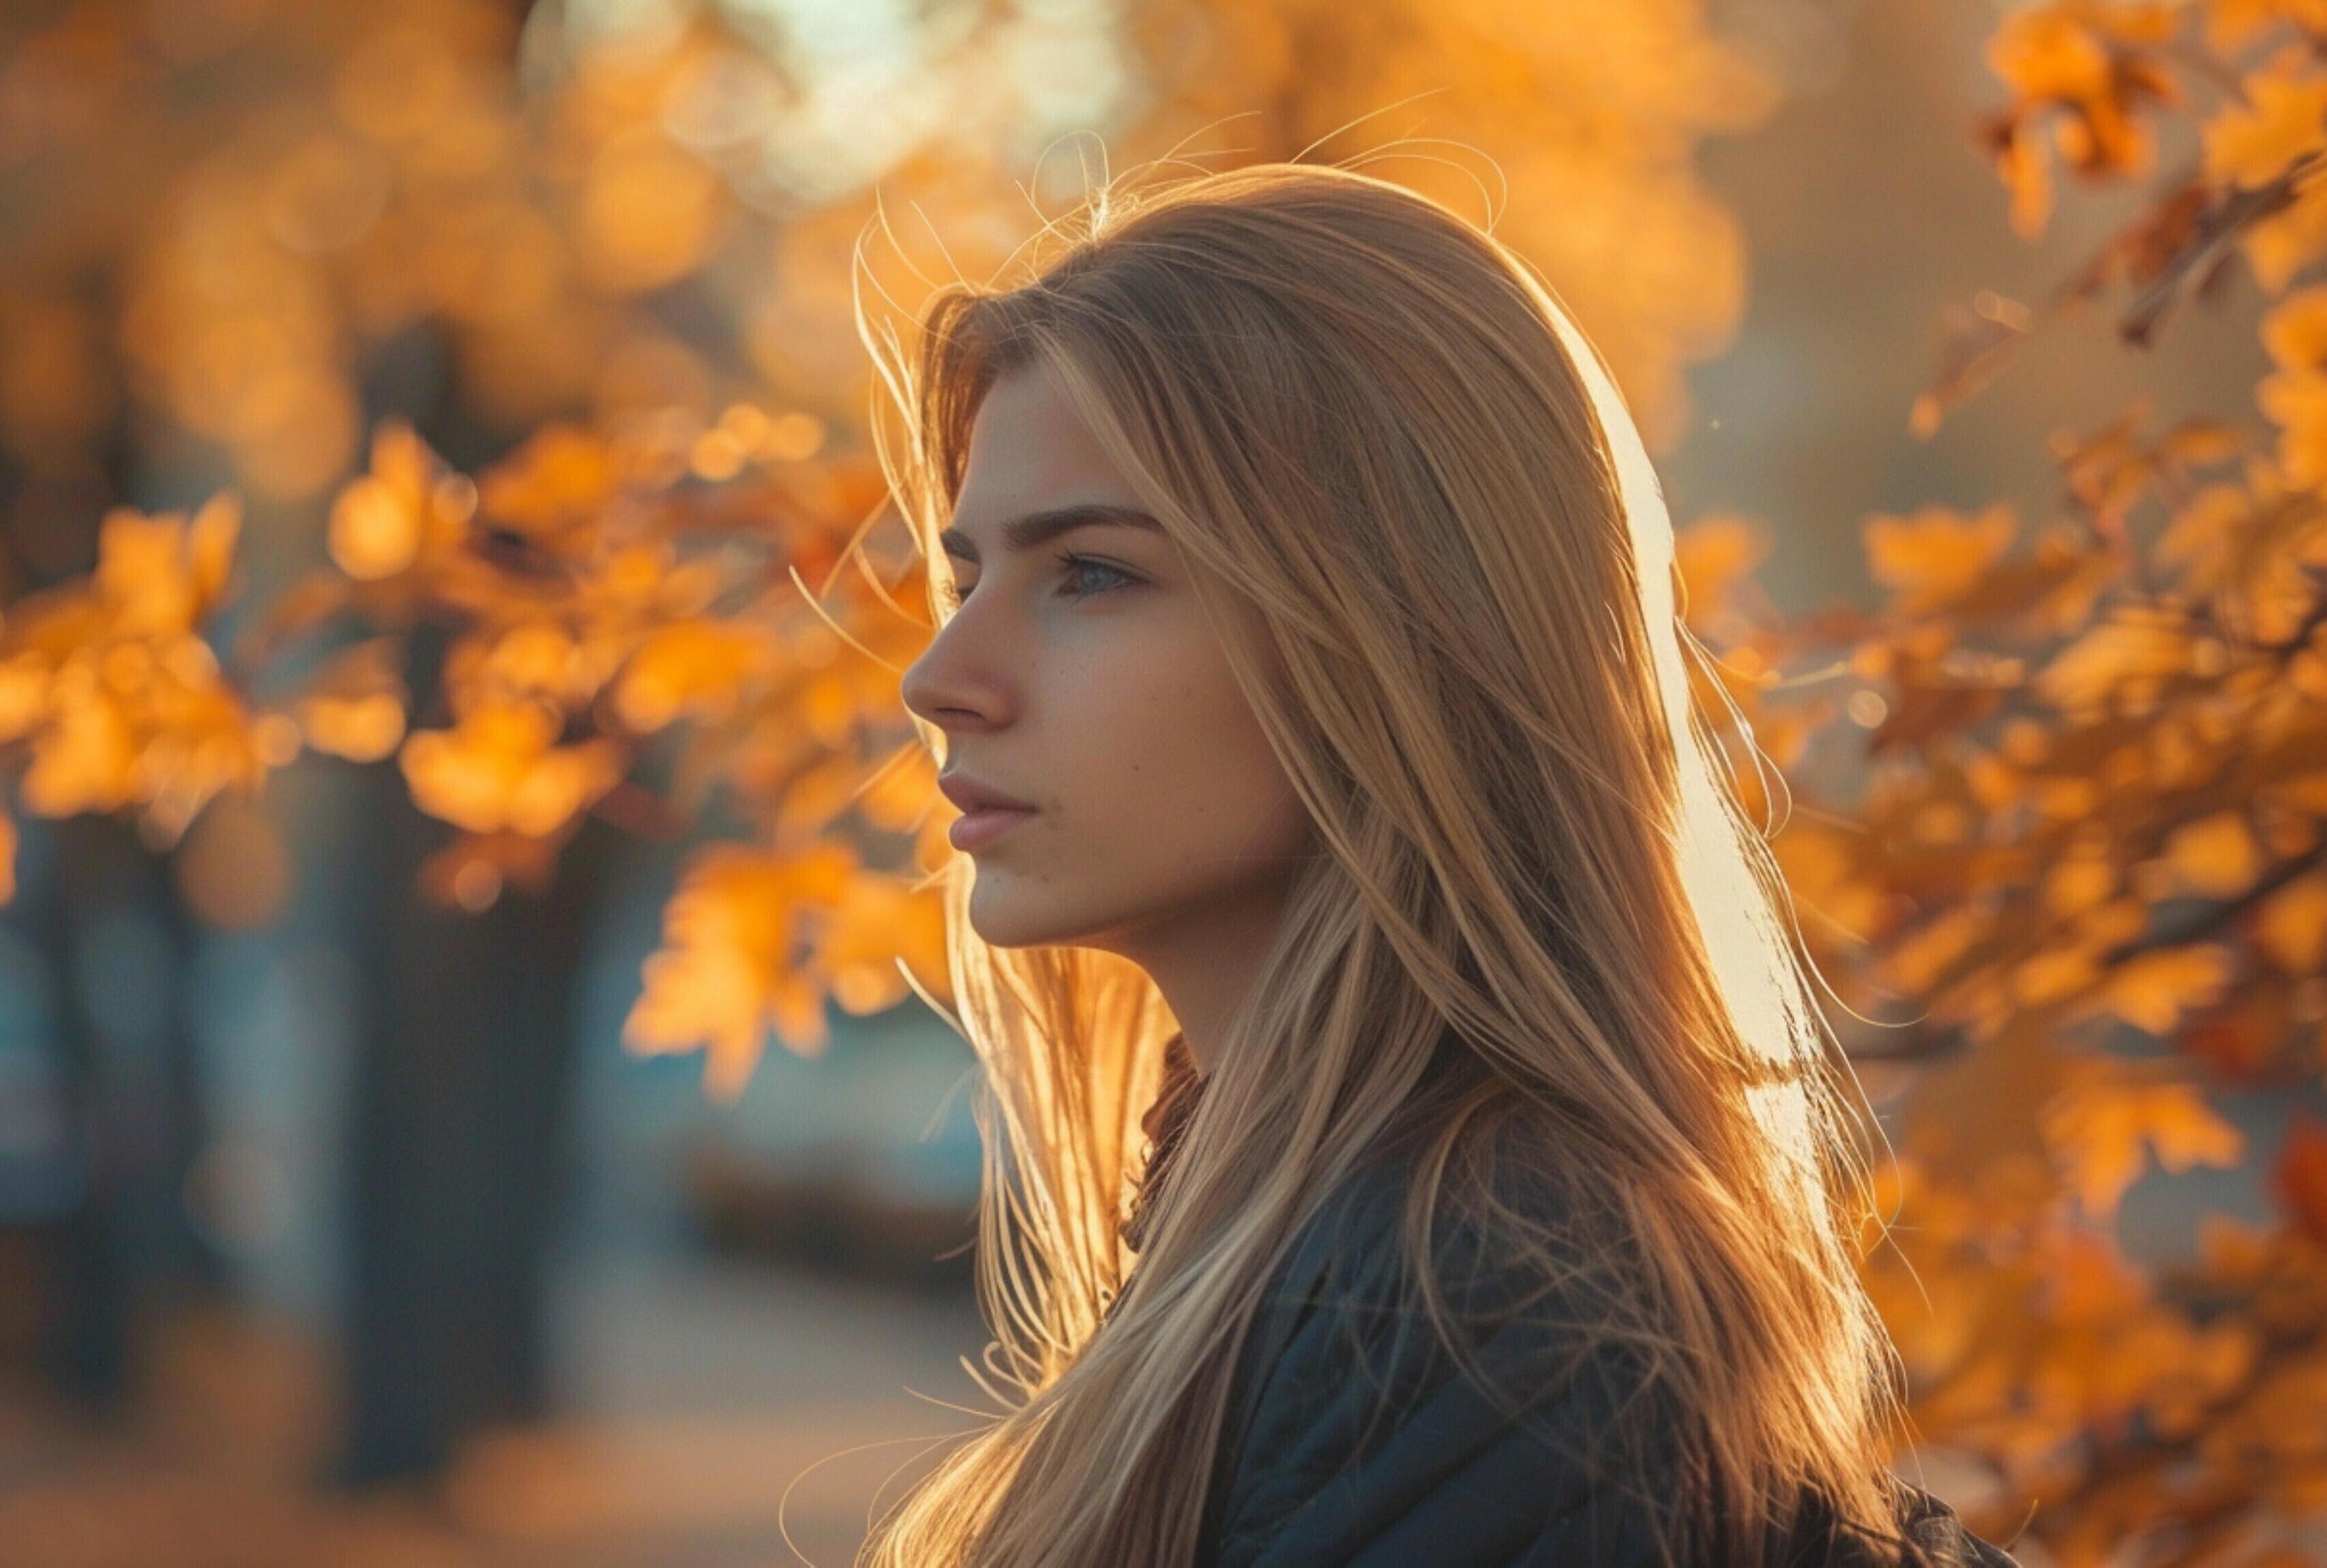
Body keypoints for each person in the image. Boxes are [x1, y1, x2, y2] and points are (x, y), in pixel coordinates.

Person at [851, 160, 2023, 1566]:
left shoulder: (1492, 1294)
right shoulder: (1307, 1231)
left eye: (1090, 573)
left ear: (1403, 629)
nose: (939, 675)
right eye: (968, 574)